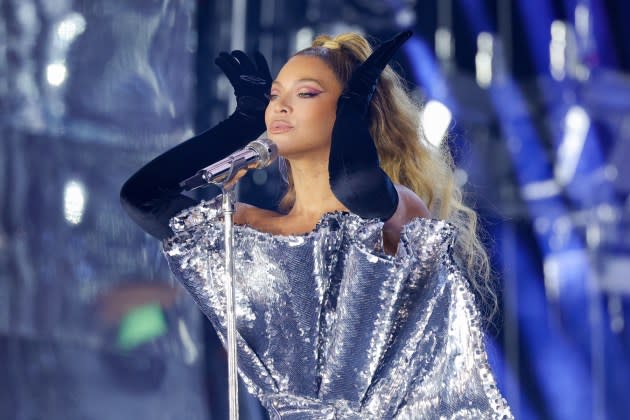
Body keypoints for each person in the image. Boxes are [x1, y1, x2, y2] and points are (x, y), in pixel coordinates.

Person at [120, 30, 513, 419]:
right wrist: (242, 122)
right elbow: (143, 198)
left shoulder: (394, 214)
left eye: (306, 93)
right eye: (275, 96)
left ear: (350, 113)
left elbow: (353, 183)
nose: (281, 107)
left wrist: (355, 105)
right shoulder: (250, 231)